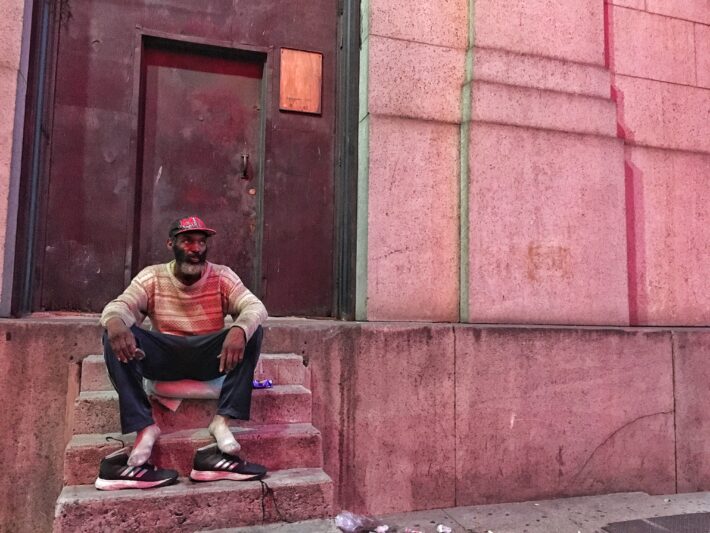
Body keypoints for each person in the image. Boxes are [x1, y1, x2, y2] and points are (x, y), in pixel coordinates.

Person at [95, 215, 268, 490]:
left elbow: (254, 306)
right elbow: (121, 305)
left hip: (208, 358)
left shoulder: (222, 275)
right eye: (187, 241)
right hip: (164, 356)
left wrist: (239, 329)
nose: (196, 248)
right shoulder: (152, 276)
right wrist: (115, 323)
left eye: (201, 242)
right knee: (113, 334)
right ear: (171, 244)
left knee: (253, 330)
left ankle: (221, 421)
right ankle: (145, 426)